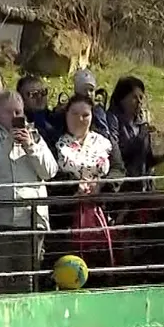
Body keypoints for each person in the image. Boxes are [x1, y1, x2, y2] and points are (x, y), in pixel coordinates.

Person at [0, 92, 58, 293]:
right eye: (9, 112)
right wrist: (7, 144)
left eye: (18, 112)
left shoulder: (35, 137)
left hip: (31, 221)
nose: (14, 116)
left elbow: (50, 171)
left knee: (28, 283)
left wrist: (30, 146)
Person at [56, 93, 124, 269]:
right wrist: (73, 186)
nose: (80, 119)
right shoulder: (56, 143)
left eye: (85, 115)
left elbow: (118, 170)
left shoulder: (105, 143)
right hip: (66, 217)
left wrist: (101, 185)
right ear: (66, 115)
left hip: (102, 213)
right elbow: (51, 173)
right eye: (74, 114)